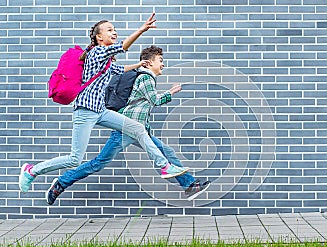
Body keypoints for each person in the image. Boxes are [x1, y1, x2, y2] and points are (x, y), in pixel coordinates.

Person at [19, 14, 190, 193]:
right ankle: (32, 170)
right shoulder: (96, 52)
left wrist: (138, 64)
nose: (114, 32)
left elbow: (119, 69)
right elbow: (122, 47)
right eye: (109, 30)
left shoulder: (106, 62)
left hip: (100, 110)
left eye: (114, 29)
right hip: (85, 111)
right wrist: (141, 29)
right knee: (74, 159)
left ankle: (165, 166)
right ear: (99, 37)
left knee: (138, 129)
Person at [46, 45, 210, 205]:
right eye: (160, 60)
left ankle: (190, 185)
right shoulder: (145, 78)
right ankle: (61, 183)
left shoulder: (145, 78)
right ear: (149, 62)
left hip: (138, 130)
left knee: (166, 151)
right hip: (125, 130)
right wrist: (171, 92)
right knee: (98, 164)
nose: (163, 64)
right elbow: (155, 100)